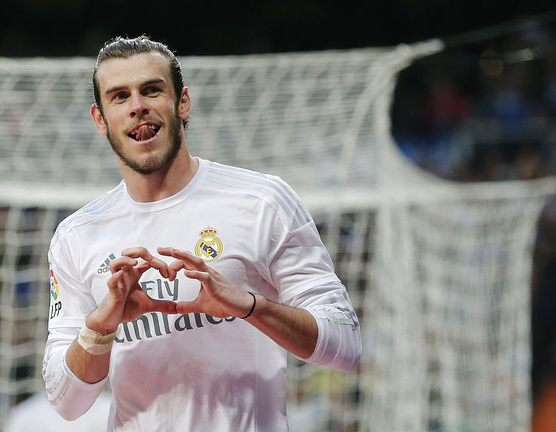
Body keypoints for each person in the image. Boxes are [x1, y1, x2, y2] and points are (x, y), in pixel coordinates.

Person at [42, 35, 361, 431]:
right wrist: (101, 326)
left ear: (183, 102)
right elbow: (66, 401)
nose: (137, 106)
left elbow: (345, 345)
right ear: (100, 120)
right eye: (119, 97)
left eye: (152, 90)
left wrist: (249, 306)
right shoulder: (77, 234)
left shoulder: (263, 201)